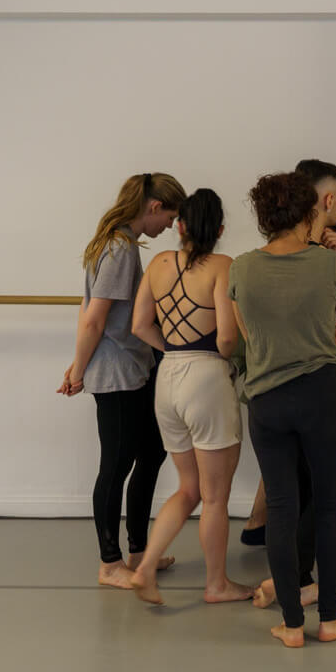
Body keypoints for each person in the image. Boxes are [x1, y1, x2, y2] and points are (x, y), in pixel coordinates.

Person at [231, 171, 336, 648]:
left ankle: (291, 624)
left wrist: (283, 342)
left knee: (282, 508)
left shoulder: (242, 268)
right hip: (320, 394)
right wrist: (319, 335)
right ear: (309, 213)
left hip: (266, 399)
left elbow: (249, 338)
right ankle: (329, 620)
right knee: (328, 507)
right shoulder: (330, 265)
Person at [124, 188, 254, 606]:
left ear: (179, 226)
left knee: (188, 488)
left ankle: (145, 567)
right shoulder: (223, 266)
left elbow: (139, 326)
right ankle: (217, 584)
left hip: (167, 378)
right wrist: (225, 359)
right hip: (207, 378)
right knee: (214, 496)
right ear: (219, 229)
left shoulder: (159, 264)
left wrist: (175, 350)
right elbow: (228, 338)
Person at [59, 170, 186, 589]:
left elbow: (89, 312)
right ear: (154, 207)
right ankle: (110, 563)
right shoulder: (118, 248)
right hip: (116, 375)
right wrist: (79, 371)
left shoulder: (121, 244)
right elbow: (94, 318)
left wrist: (77, 364)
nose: (169, 226)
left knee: (151, 453)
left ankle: (139, 551)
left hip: (135, 369)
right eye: (169, 218)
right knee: (115, 466)